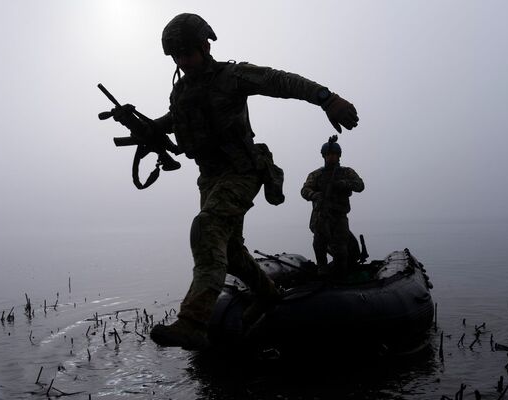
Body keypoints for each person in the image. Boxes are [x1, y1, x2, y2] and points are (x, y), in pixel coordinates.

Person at [141, 13, 359, 350]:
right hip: (209, 178)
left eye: (187, 53)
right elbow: (178, 119)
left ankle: (193, 322)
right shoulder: (183, 90)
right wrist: (152, 127)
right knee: (230, 251)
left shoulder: (233, 75)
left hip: (243, 171)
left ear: (205, 45)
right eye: (177, 57)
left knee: (208, 226)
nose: (183, 62)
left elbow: (279, 80)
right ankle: (267, 294)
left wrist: (326, 98)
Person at [301, 137, 365, 275]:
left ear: (339, 156)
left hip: (339, 217)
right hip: (321, 216)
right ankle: (322, 273)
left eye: (334, 155)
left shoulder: (347, 172)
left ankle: (341, 275)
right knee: (319, 245)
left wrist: (344, 183)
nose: (331, 157)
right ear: (324, 156)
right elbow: (305, 190)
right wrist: (314, 195)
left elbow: (360, 185)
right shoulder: (316, 174)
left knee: (341, 249)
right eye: (329, 155)